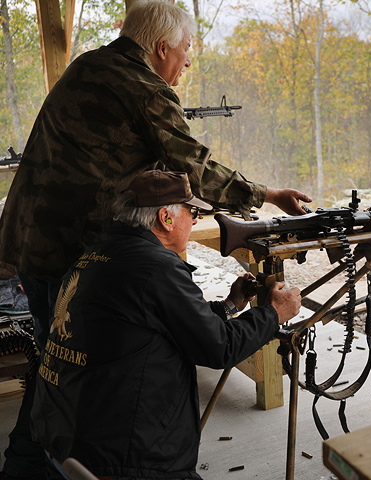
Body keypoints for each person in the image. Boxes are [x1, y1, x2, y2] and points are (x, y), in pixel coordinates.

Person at [0, 2, 310, 479]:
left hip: (28, 240)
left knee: (58, 363)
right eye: (186, 49)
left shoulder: (89, 64)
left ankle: (41, 461)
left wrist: (225, 307)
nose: (188, 61)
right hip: (68, 247)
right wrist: (264, 195)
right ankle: (40, 465)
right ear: (161, 47)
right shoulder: (145, 87)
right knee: (64, 374)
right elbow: (192, 166)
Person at [30, 170, 302, 479]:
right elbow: (219, 348)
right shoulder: (155, 266)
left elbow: (156, 319)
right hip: (120, 458)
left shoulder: (102, 251)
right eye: (192, 211)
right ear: (165, 218)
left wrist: (227, 306)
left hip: (65, 439)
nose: (196, 220)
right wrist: (273, 314)